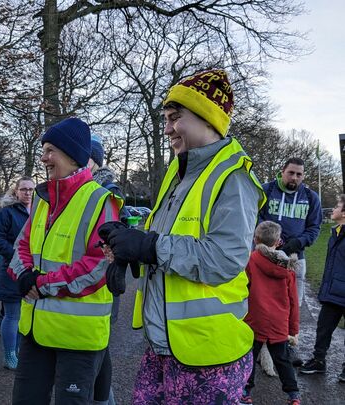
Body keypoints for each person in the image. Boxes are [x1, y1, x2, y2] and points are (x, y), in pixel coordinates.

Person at [98, 69, 266, 404]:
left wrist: (150, 246)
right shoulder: (180, 170)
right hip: (165, 344)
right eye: (165, 118)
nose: (167, 128)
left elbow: (224, 260)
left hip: (208, 354)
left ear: (207, 118)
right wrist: (131, 242)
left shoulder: (234, 177)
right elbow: (168, 238)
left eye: (176, 118)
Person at [9, 117, 121, 404]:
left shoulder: (100, 200)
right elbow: (22, 244)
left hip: (77, 337)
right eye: (43, 150)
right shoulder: (42, 197)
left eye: (50, 151)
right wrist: (24, 277)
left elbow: (98, 265)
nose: (43, 158)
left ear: (72, 155)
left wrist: (41, 284)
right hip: (36, 330)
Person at [241, 221, 300, 405]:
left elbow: (242, 290)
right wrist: (293, 328)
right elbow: (293, 301)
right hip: (278, 322)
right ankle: (293, 395)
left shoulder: (250, 261)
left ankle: (245, 392)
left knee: (249, 358)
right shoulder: (288, 268)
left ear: (255, 239)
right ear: (278, 242)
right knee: (282, 359)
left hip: (255, 319)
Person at [258, 157, 322, 306]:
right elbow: (254, 217)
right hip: (266, 254)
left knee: (293, 305)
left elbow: (314, 228)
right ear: (282, 172)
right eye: (291, 173)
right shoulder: (266, 190)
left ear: (303, 176)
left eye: (299, 174)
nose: (294, 177)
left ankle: (291, 330)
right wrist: (270, 238)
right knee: (263, 303)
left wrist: (298, 242)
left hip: (296, 258)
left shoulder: (311, 197)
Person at [88, 134, 123, 405]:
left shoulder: (109, 192)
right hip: (85, 280)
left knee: (99, 345)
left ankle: (104, 400)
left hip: (103, 279)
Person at [0, 176, 35, 370]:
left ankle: (17, 351)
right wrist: (15, 255)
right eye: (24, 189)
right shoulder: (8, 212)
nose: (27, 192)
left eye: (31, 189)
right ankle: (9, 355)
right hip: (11, 269)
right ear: (16, 191)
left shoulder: (38, 211)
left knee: (24, 315)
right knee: (12, 315)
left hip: (31, 270)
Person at [299, 194, 345, 383]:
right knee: (323, 328)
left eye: (337, 206)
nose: (333, 209)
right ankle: (319, 361)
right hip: (332, 292)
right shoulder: (335, 232)